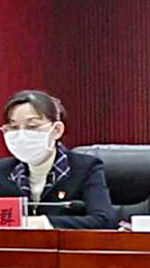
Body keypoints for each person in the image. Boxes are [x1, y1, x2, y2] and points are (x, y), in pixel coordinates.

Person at [0, 90, 118, 230]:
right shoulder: (3, 171)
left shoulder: (85, 168)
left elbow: (105, 221)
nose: (21, 135)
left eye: (32, 127)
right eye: (13, 127)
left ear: (57, 130)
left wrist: (42, 223)